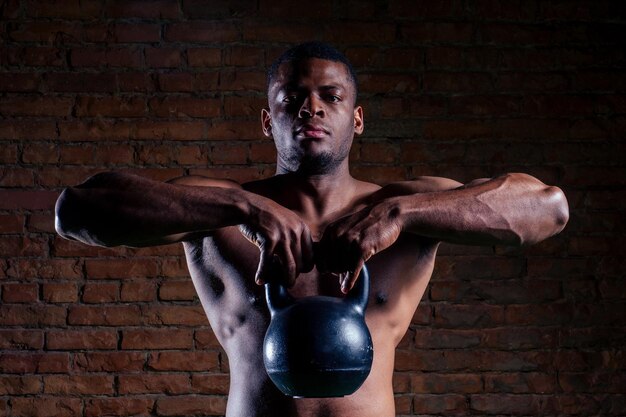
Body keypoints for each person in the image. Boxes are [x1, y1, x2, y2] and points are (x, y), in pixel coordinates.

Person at [55, 42, 569, 417]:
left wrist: (399, 215)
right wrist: (242, 206)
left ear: (357, 118)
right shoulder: (211, 207)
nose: (313, 107)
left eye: (331, 96)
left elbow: (547, 209)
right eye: (292, 97)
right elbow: (78, 211)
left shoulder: (408, 205)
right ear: (266, 120)